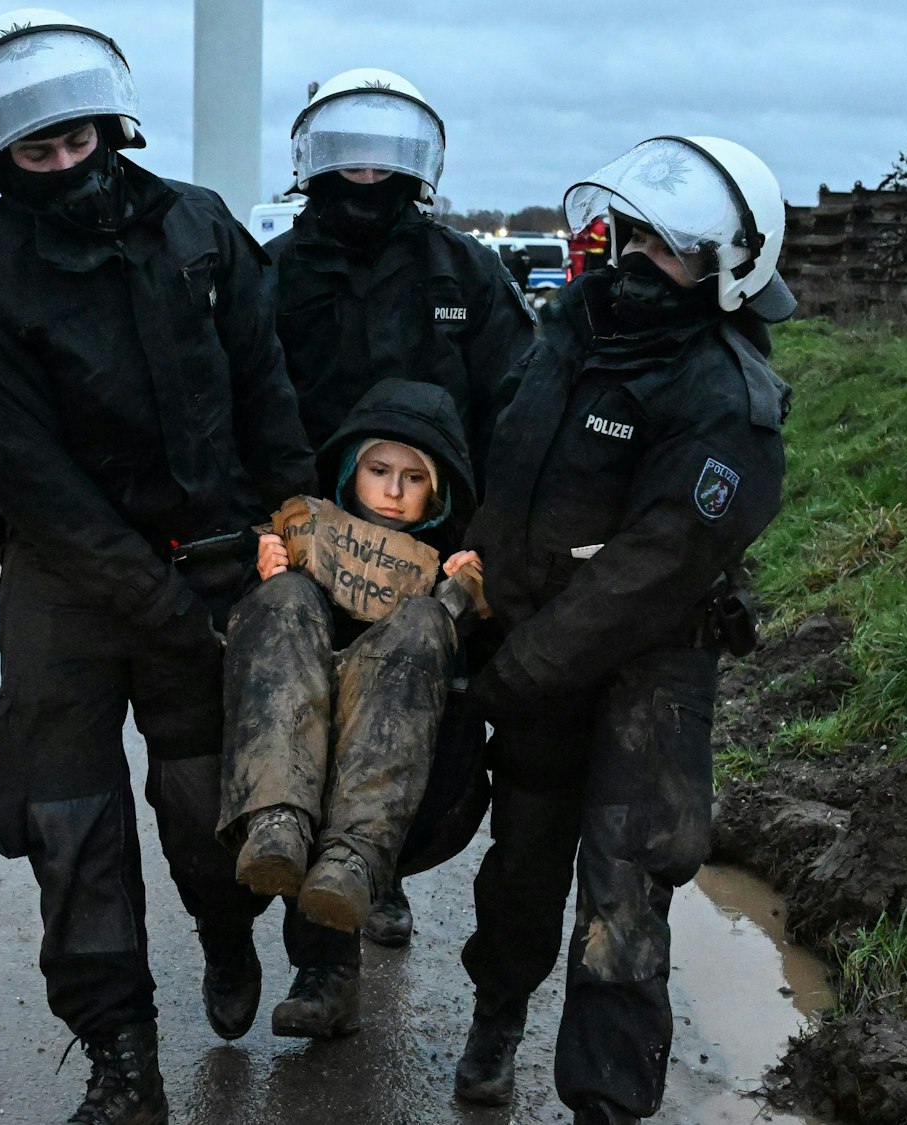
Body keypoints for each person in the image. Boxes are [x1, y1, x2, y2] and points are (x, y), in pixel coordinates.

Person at [0, 11, 314, 1124]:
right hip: (65, 580)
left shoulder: (199, 228)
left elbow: (263, 384)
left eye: (73, 142)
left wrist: (295, 522)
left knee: (201, 798)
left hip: (216, 555)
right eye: (32, 155)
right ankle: (118, 1055)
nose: (60, 166)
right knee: (69, 816)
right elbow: (36, 482)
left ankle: (226, 938)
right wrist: (155, 603)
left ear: (108, 124)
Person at [450, 136, 796, 1124]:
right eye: (634, 232)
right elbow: (505, 482)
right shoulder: (567, 334)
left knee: (625, 886)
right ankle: (495, 1015)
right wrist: (477, 606)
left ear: (729, 269)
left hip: (651, 670)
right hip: (526, 650)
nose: (641, 256)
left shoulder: (727, 396)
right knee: (520, 857)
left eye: (672, 247)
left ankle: (604, 1101)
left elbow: (652, 571)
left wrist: (516, 671)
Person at [264, 66, 534, 952]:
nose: (368, 176)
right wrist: (269, 525)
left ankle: (378, 872)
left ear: (419, 165)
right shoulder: (277, 274)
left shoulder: (468, 271)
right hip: (310, 545)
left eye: (388, 161)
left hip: (431, 559)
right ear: (314, 160)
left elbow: (517, 411)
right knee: (302, 723)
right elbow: (239, 401)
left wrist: (487, 546)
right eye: (351, 158)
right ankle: (319, 965)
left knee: (418, 729)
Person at [218, 379, 484, 1036]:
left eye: (413, 476)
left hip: (399, 782)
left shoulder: (451, 560)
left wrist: (468, 605)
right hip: (287, 757)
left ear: (438, 490)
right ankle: (277, 825)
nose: (393, 490)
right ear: (350, 471)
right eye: (378, 469)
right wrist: (266, 571)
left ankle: (354, 860)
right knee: (283, 603)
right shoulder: (304, 530)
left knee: (423, 620)